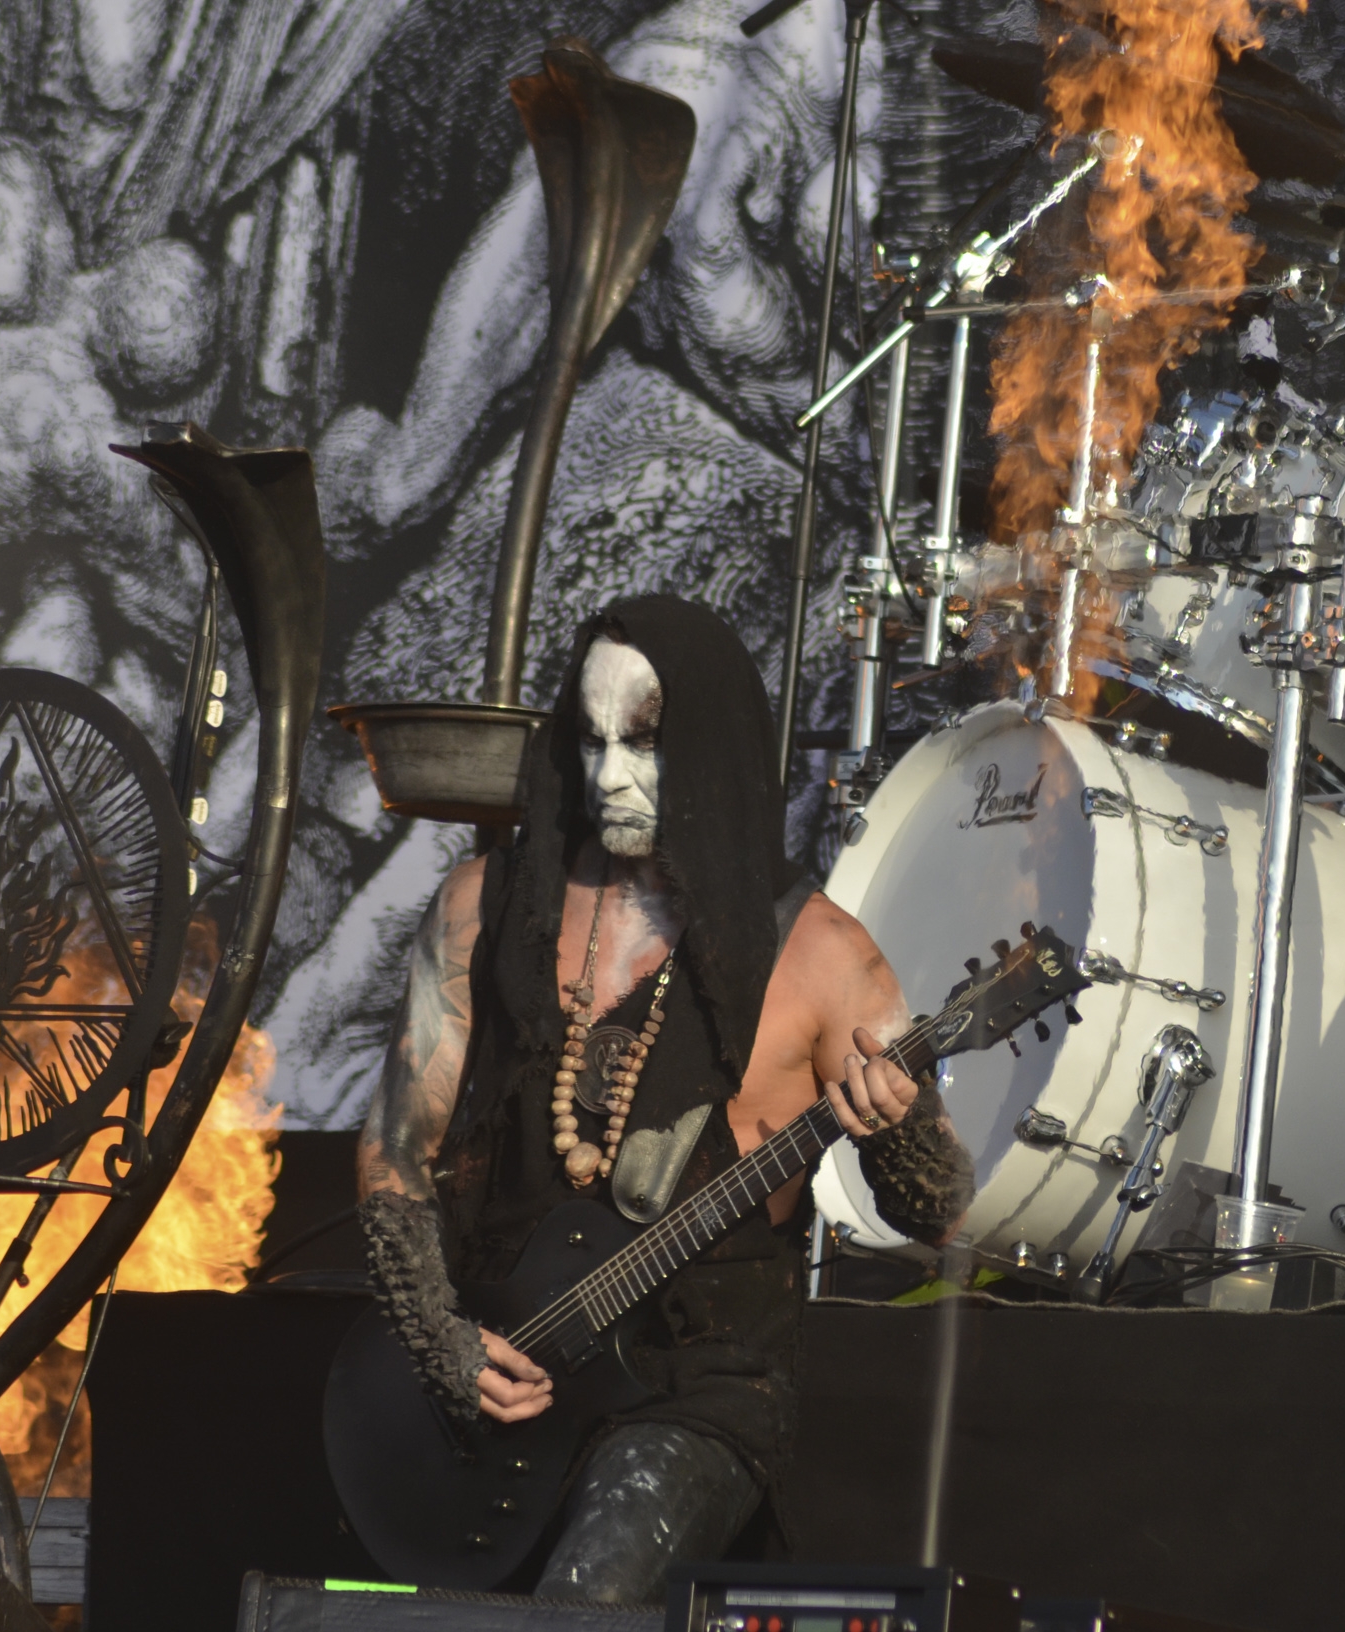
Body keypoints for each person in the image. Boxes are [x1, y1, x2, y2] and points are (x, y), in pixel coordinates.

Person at [353, 595, 973, 1603]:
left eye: (642, 742)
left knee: (588, 1598)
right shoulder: (482, 907)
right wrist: (440, 1342)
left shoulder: (823, 955)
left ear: (711, 750)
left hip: (693, 1392)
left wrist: (896, 1127)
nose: (611, 776)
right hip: (496, 1365)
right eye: (590, 740)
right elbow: (395, 1145)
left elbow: (936, 1210)